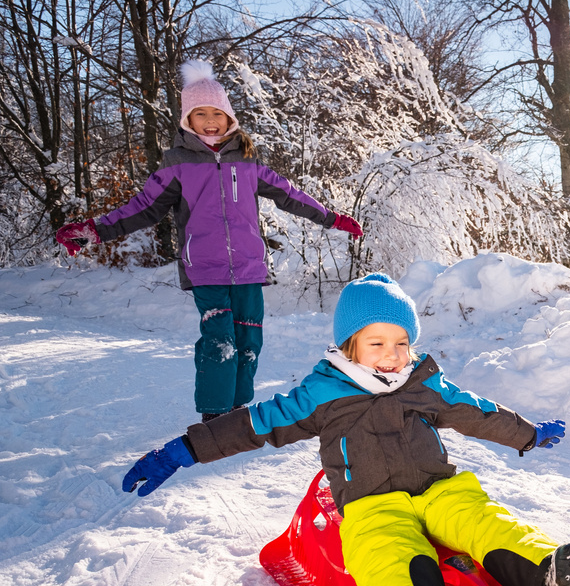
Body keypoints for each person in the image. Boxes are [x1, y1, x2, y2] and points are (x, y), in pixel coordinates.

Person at [121, 273, 570, 586]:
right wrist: (185, 449)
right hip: (371, 504)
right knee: (385, 554)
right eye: (377, 343)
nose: (392, 356)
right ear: (350, 345)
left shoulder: (424, 383)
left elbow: (476, 411)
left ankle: (550, 578)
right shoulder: (323, 394)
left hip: (439, 489)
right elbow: (256, 423)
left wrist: (529, 434)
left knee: (484, 521)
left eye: (401, 343)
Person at [55, 59, 363, 422]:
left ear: (229, 117)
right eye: (200, 114)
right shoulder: (177, 165)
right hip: (205, 267)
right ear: (188, 120)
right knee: (220, 341)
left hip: (248, 267)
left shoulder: (248, 161)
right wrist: (94, 229)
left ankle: (237, 409)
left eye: (217, 112)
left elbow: (288, 194)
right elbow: (143, 208)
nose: (210, 120)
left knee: (249, 343)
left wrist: (330, 217)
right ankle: (215, 415)